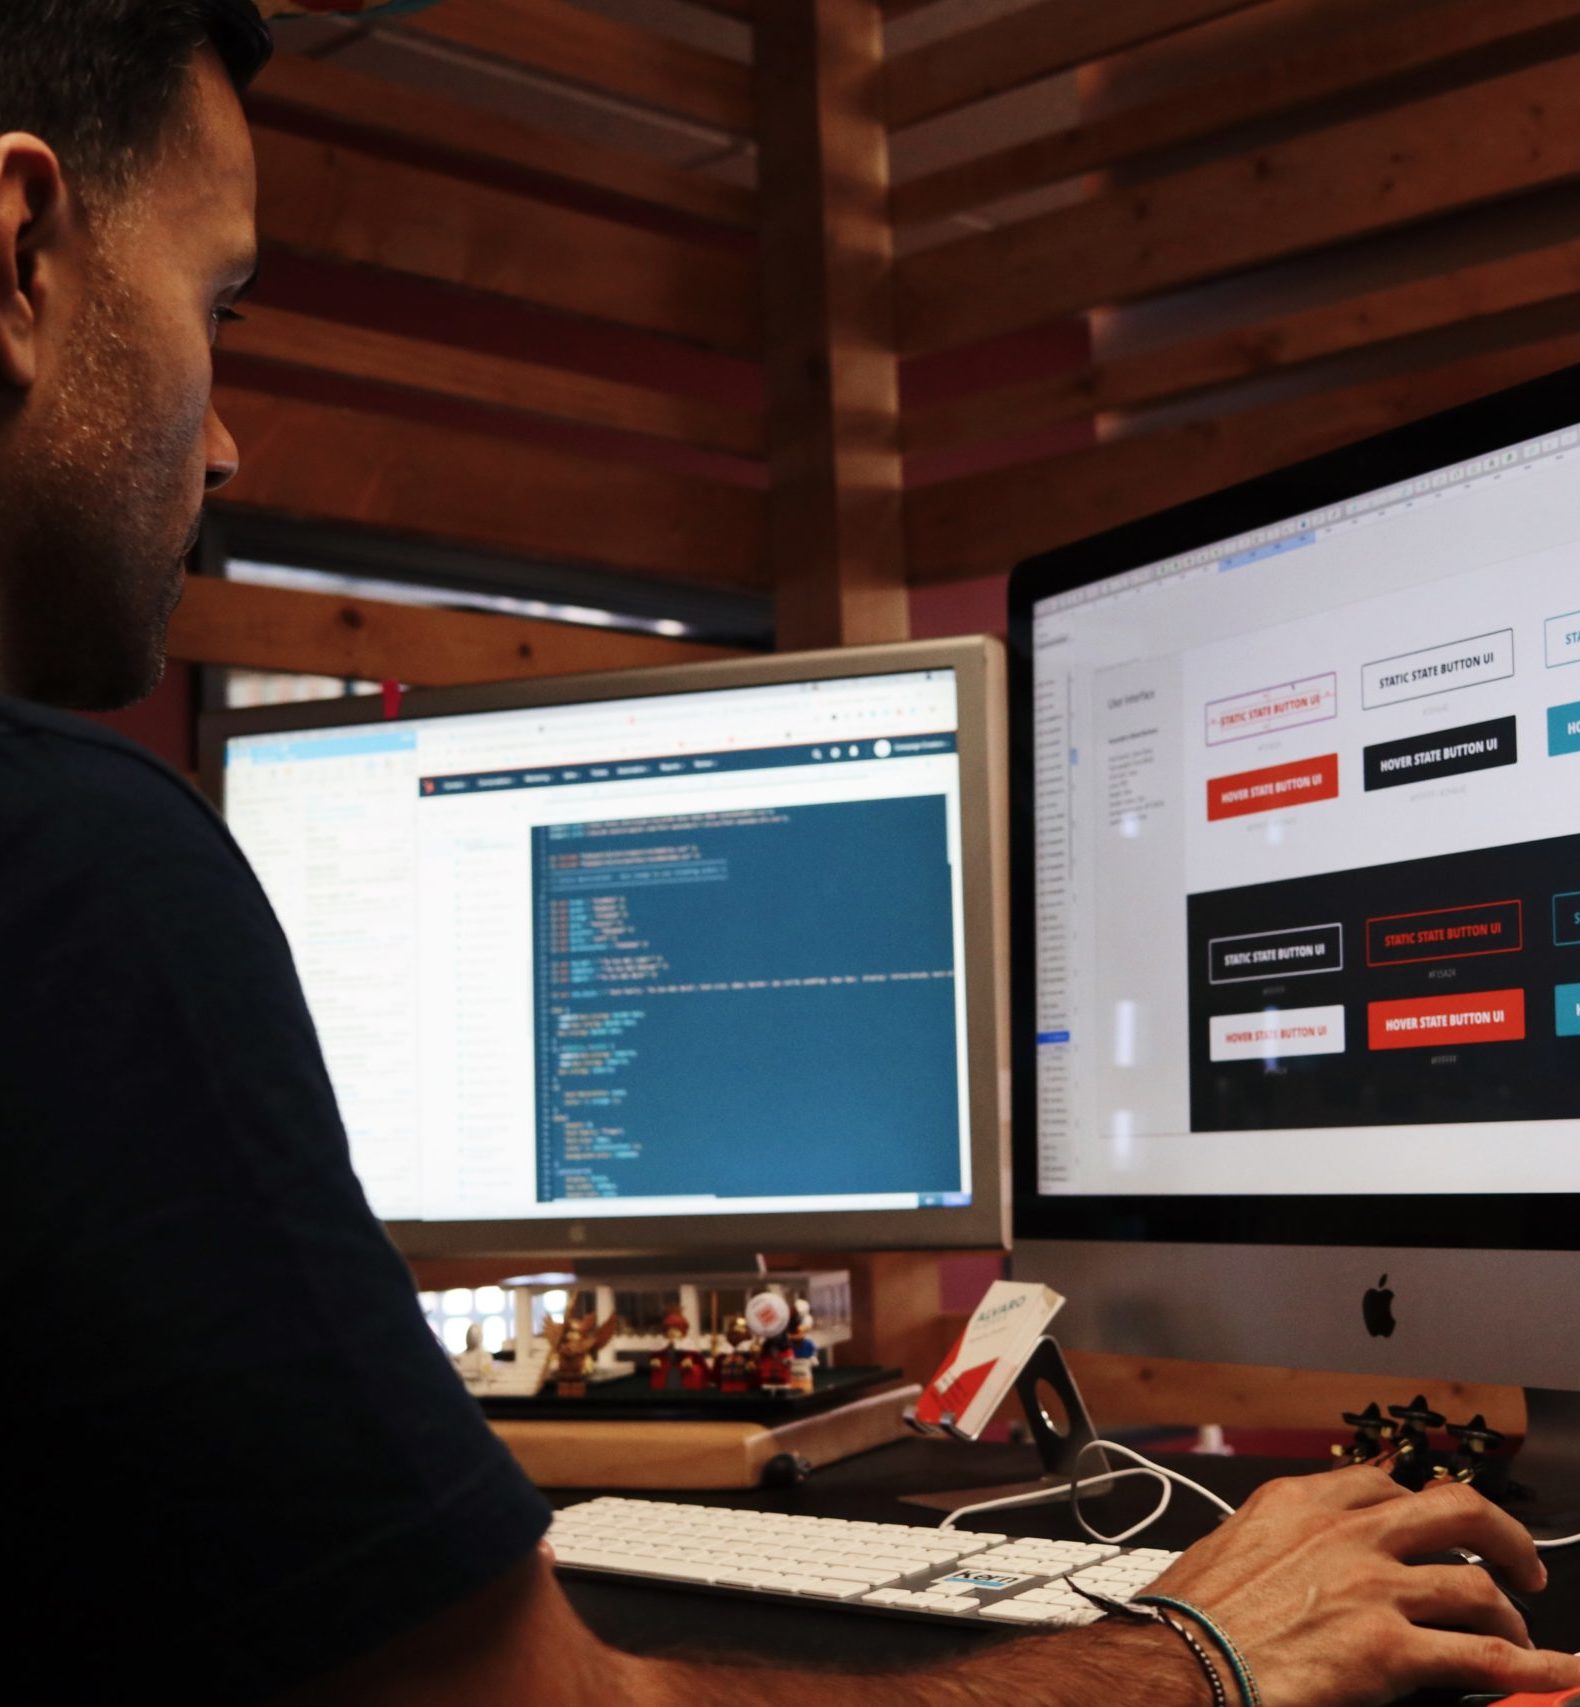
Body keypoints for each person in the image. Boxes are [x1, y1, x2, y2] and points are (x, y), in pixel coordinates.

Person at [1, 5, 1577, 1703]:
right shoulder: (75, 873)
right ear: (22, 252)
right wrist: (1200, 1655)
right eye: (217, 304)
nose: (228, 440)